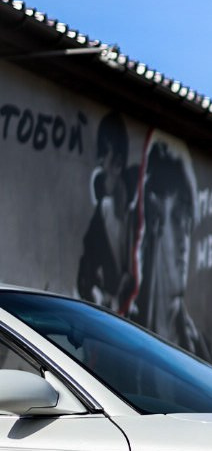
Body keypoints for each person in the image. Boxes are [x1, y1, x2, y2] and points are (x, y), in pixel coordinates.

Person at [129, 135, 212, 362]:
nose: (185, 239)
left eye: (188, 223)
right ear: (154, 218)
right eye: (177, 218)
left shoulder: (200, 352)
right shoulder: (120, 342)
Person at [76, 112, 135, 311]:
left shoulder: (139, 215)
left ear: (118, 163)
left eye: (105, 155)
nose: (100, 164)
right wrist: (96, 293)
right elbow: (86, 271)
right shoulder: (103, 213)